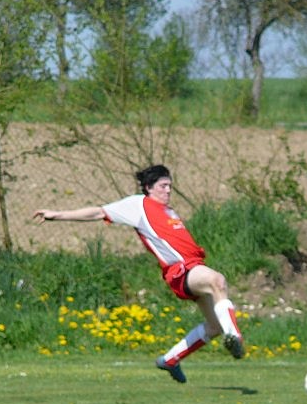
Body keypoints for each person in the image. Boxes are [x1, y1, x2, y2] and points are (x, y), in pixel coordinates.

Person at [32, 164, 244, 383]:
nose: (168, 190)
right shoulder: (138, 205)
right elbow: (98, 212)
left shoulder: (169, 211)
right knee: (217, 281)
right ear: (148, 187)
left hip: (194, 268)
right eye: (163, 186)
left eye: (170, 186)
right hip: (181, 271)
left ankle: (170, 360)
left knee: (214, 326)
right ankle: (235, 336)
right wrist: (57, 215)